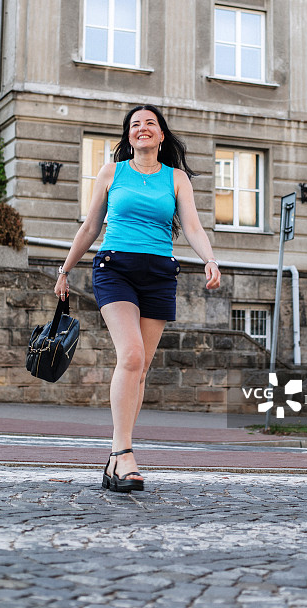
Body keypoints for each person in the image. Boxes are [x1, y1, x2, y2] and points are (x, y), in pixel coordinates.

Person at [54, 105, 221, 493]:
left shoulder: (176, 179)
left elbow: (193, 226)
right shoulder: (113, 173)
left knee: (141, 368)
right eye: (135, 125)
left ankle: (115, 462)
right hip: (115, 269)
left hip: (160, 274)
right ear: (128, 136)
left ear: (162, 135)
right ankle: (123, 452)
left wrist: (209, 259)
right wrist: (64, 270)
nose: (142, 129)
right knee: (130, 356)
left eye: (150, 124)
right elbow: (92, 225)